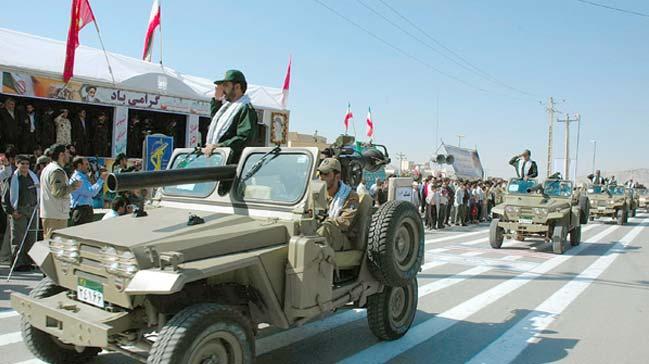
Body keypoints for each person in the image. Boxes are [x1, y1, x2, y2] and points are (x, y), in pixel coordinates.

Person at [203, 70, 258, 162]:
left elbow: (244, 138)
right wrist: (216, 100)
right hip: (218, 161)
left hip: (231, 166)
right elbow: (216, 123)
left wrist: (219, 146)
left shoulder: (245, 108)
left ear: (237, 87)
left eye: (226, 85)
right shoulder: (227, 107)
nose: (223, 89)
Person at [2, 156, 39, 271]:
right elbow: (5, 198)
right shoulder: (12, 178)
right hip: (19, 210)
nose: (25, 166)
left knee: (31, 238)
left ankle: (29, 262)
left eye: (27, 164)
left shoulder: (33, 178)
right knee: (18, 238)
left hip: (32, 210)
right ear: (17, 164)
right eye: (22, 163)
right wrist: (12, 212)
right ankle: (18, 263)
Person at [315, 158, 359, 251]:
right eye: (320, 174)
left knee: (325, 229)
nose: (321, 178)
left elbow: (344, 223)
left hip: (341, 238)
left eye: (326, 174)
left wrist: (323, 222)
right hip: (323, 233)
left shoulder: (350, 195)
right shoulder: (318, 194)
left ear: (337, 176)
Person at [40, 144, 81, 239]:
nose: (69, 155)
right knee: (55, 246)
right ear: (61, 155)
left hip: (51, 213)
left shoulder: (48, 169)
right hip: (56, 215)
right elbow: (58, 192)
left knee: (50, 244)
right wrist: (73, 186)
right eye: (67, 153)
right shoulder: (56, 171)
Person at [69, 157, 107, 226]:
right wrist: (101, 179)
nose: (88, 167)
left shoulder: (84, 177)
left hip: (85, 210)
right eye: (86, 164)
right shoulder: (78, 178)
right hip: (81, 211)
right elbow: (91, 192)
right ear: (79, 166)